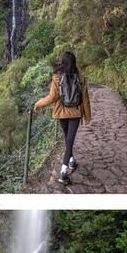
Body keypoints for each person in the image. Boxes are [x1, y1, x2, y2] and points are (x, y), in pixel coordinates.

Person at [33, 50, 92, 184]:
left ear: (63, 61)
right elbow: (85, 99)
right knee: (69, 140)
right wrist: (87, 116)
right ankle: (65, 169)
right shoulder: (81, 77)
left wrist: (38, 103)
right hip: (75, 113)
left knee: (67, 138)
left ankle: (67, 167)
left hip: (61, 112)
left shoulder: (57, 77)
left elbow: (52, 97)